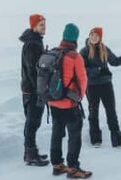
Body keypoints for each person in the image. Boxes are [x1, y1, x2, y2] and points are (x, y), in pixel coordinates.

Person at [80, 27, 121, 149]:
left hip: (106, 84)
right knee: (93, 112)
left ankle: (117, 141)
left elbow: (115, 61)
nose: (93, 37)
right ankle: (95, 140)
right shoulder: (84, 51)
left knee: (111, 111)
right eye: (91, 35)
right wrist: (96, 71)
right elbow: (82, 70)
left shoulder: (104, 49)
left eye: (96, 35)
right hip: (92, 86)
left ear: (100, 37)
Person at [49, 23, 92, 178]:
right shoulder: (75, 56)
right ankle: (73, 168)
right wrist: (79, 97)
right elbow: (82, 79)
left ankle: (57, 165)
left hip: (53, 102)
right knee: (74, 134)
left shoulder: (54, 52)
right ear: (76, 38)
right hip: (69, 103)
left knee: (57, 132)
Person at [19, 13, 49, 166]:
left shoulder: (35, 41)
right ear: (34, 26)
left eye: (44, 24)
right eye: (41, 25)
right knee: (33, 122)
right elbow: (32, 70)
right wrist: (40, 90)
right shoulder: (33, 44)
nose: (44, 27)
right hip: (33, 90)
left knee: (32, 122)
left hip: (29, 89)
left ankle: (29, 153)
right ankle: (31, 154)